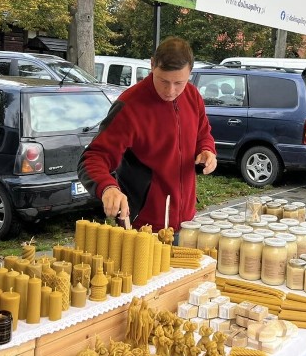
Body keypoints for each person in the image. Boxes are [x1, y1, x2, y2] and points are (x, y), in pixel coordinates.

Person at [78, 37, 217, 230]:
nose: (171, 91)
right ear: (152, 65)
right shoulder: (130, 105)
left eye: (179, 82)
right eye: (163, 81)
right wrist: (107, 187)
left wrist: (207, 150)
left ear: (190, 73)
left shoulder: (193, 96)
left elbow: (203, 134)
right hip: (142, 225)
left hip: (187, 221)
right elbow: (93, 158)